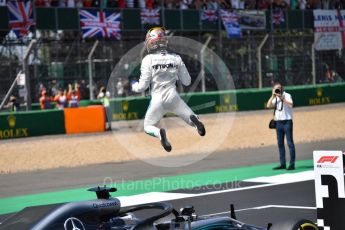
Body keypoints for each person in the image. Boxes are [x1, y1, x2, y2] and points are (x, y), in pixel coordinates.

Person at [131, 27, 206, 152]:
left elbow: (142, 87)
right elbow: (187, 81)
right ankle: (195, 121)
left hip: (157, 99)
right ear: (164, 40)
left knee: (148, 126)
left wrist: (133, 85)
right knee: (189, 117)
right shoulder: (176, 58)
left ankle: (160, 134)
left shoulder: (147, 60)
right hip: (173, 97)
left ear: (150, 41)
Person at [267, 82, 296, 170]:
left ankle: (292, 164)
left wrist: (282, 98)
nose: (278, 90)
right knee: (280, 143)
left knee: (290, 143)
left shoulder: (287, 95)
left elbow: (291, 105)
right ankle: (282, 163)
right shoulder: (275, 97)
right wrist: (273, 95)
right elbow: (268, 105)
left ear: (282, 88)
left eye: (279, 88)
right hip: (278, 123)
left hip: (287, 122)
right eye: (276, 89)